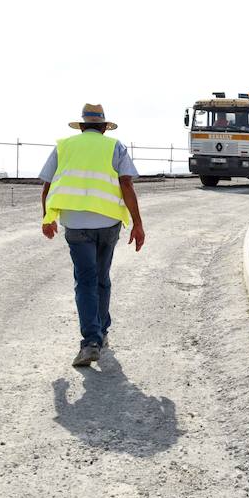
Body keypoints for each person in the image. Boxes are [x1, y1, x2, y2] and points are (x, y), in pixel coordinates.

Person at [40, 103, 146, 367]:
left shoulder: (64, 146)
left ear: (83, 125)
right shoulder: (114, 146)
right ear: (103, 127)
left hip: (76, 224)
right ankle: (102, 333)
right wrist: (138, 224)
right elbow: (126, 185)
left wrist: (48, 218)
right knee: (102, 278)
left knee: (85, 281)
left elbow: (47, 187)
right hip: (108, 222)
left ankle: (91, 342)